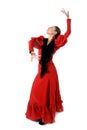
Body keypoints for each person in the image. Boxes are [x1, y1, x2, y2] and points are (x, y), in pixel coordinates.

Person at [25, 9, 71, 125]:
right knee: (36, 89)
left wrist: (68, 19)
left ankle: (45, 116)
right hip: (41, 69)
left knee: (46, 92)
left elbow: (67, 33)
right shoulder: (42, 41)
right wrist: (31, 52)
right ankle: (38, 113)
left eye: (51, 28)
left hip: (50, 70)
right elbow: (30, 41)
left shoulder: (56, 43)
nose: (49, 28)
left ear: (55, 32)